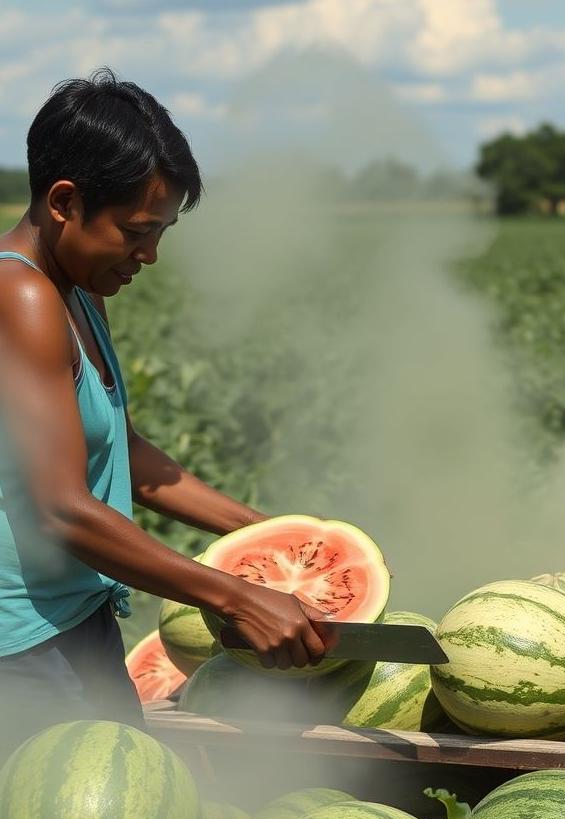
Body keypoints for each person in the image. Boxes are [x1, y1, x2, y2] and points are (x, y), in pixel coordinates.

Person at [0, 69, 329, 753]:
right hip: (25, 655)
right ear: (64, 201)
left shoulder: (75, 292)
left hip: (74, 625)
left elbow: (125, 453)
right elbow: (62, 508)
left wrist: (264, 532)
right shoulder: (19, 296)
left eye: (162, 232)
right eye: (136, 230)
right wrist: (234, 596)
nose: (149, 254)